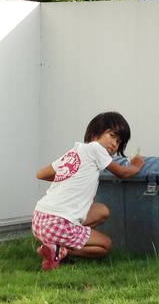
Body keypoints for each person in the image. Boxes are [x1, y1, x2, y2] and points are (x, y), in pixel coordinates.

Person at [33, 112, 145, 271]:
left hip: (40, 219)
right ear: (95, 133)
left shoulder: (75, 152)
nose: (114, 144)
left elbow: (41, 174)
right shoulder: (95, 148)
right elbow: (122, 173)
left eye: (119, 141)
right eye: (112, 136)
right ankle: (59, 250)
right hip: (57, 223)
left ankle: (52, 245)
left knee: (102, 211)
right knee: (105, 246)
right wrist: (136, 166)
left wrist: (69, 177)